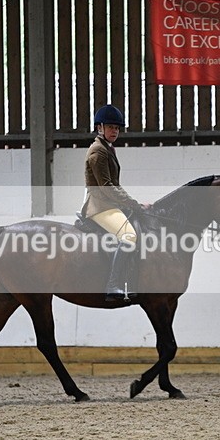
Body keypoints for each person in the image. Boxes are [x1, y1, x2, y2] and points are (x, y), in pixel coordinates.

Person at [80, 104, 149, 301]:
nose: (115, 131)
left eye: (117, 128)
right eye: (111, 127)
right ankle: (113, 283)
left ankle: (132, 283)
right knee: (128, 236)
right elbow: (107, 187)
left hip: (111, 204)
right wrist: (135, 204)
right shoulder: (97, 152)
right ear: (99, 128)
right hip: (100, 206)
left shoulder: (107, 149)